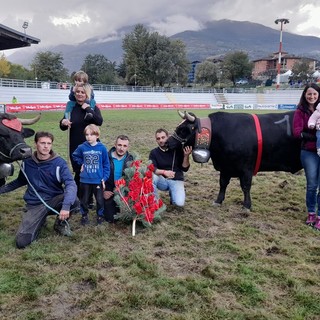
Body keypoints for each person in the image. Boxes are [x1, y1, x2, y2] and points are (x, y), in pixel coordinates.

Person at [0, 131, 79, 249]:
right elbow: (21, 181)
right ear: (36, 143)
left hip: (53, 201)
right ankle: (39, 221)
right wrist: (2, 189)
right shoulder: (27, 162)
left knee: (75, 201)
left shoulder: (59, 163)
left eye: (49, 143)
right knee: (22, 242)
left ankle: (60, 224)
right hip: (34, 205)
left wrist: (66, 206)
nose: (46, 146)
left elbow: (70, 184)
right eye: (42, 143)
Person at [59, 83, 103, 195]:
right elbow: (63, 125)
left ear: (87, 94)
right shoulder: (71, 108)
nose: (79, 94)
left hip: (92, 146)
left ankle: (87, 198)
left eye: (82, 92)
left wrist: (88, 108)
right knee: (79, 171)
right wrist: (63, 122)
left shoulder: (92, 107)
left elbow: (99, 121)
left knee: (91, 172)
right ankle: (78, 197)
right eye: (77, 92)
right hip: (75, 145)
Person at [293, 83, 320, 230]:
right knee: (312, 185)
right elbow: (297, 132)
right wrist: (315, 137)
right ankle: (311, 213)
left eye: (315, 94)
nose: (312, 96)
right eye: (309, 94)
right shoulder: (300, 111)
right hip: (309, 152)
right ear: (305, 95)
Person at [72, 124, 110, 225]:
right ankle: (84, 215)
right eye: (87, 134)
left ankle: (100, 216)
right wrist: (81, 163)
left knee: (100, 200)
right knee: (84, 200)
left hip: (98, 180)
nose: (89, 137)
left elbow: (106, 164)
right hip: (85, 180)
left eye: (91, 134)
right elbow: (75, 155)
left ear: (97, 136)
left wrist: (104, 178)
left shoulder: (102, 148)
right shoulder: (82, 147)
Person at [149, 128, 192, 208]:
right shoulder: (154, 152)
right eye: (158, 139)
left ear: (168, 137)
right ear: (156, 140)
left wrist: (186, 156)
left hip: (176, 179)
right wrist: (164, 172)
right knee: (151, 177)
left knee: (179, 204)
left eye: (163, 137)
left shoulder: (178, 149)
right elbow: (152, 168)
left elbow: (185, 168)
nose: (161, 140)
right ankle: (154, 203)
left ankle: (175, 192)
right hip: (162, 181)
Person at [103, 135, 134, 223]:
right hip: (110, 191)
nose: (121, 148)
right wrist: (103, 191)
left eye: (125, 146)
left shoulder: (131, 159)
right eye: (119, 145)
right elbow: (98, 176)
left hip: (124, 192)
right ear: (115, 145)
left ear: (128, 147)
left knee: (127, 218)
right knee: (110, 219)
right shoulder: (106, 158)